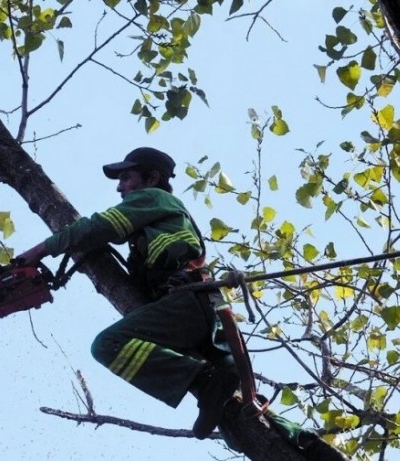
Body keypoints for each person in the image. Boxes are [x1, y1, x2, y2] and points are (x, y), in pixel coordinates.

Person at [18, 147, 240, 439]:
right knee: (238, 412)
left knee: (109, 344)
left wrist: (37, 252)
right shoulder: (155, 225)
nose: (120, 187)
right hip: (202, 312)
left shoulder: (154, 197)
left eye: (126, 177)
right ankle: (307, 445)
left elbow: (97, 227)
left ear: (152, 178)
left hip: (188, 302)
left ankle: (204, 378)